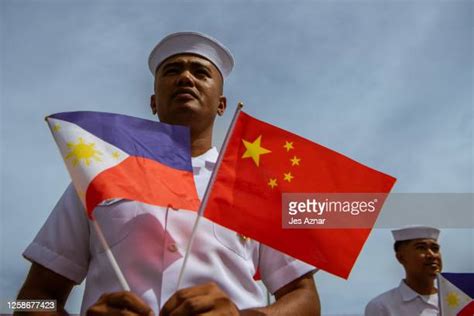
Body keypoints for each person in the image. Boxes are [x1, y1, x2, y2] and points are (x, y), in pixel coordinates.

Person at [17, 32, 320, 315]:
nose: (186, 77)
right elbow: (26, 301)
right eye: (172, 71)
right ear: (152, 102)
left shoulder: (254, 188)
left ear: (222, 105)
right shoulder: (95, 178)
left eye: (201, 72)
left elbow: (306, 299)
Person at [365, 226, 442, 316]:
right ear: (401, 257)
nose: (432, 255)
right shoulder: (382, 306)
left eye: (435, 249)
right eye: (421, 248)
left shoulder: (456, 299)